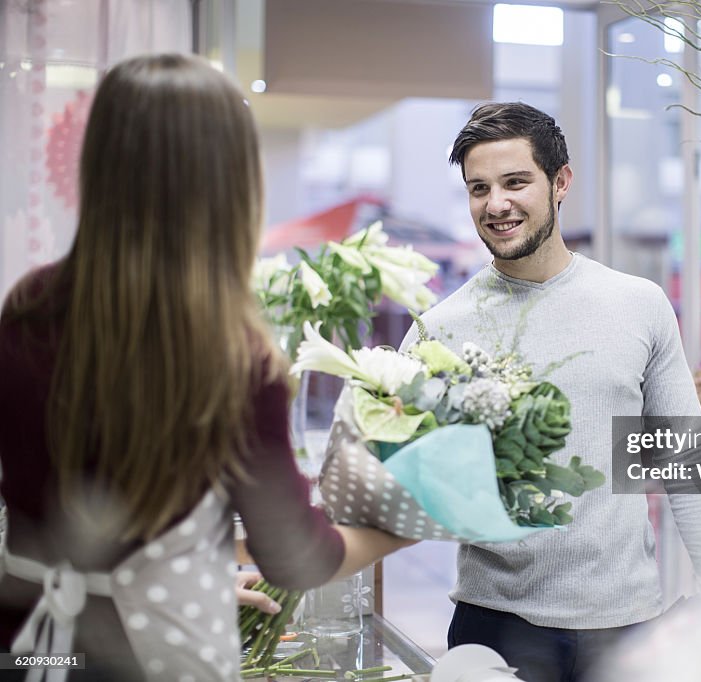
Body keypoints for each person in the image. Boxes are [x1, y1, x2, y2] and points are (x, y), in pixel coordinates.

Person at [0, 53, 411, 681]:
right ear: (232, 183)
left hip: (32, 645)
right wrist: (410, 529)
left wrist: (188, 571)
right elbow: (295, 558)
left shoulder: (28, 306)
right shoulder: (230, 354)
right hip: (150, 661)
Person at [402, 102, 701, 682]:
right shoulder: (440, 331)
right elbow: (409, 481)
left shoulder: (639, 305)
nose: (496, 204)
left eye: (515, 182)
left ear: (561, 182)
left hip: (626, 622)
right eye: (478, 188)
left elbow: (686, 458)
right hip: (493, 626)